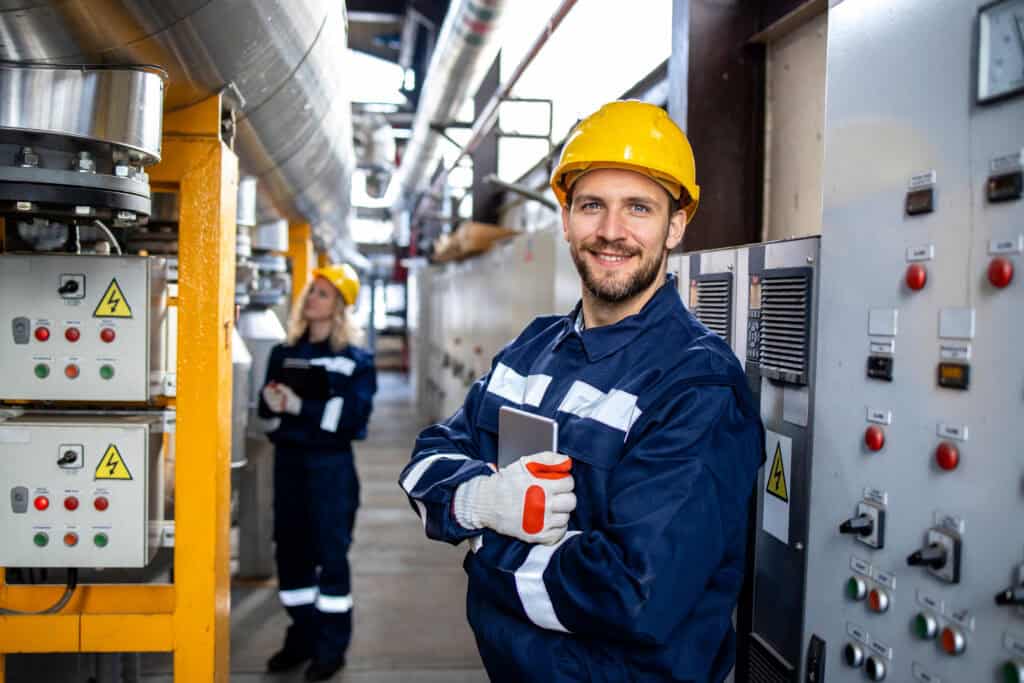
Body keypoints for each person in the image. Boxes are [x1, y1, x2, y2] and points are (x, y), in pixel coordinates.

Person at [398, 100, 764, 682]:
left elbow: (632, 596)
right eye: (592, 205)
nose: (611, 231)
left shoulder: (697, 385)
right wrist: (481, 503)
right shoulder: (534, 348)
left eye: (638, 208)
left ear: (675, 225)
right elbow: (425, 464)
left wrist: (480, 545)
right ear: (566, 220)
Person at [259, 263, 377, 682]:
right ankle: (302, 638)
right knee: (290, 553)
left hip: (331, 469)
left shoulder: (355, 361)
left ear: (341, 307)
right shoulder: (283, 352)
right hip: (289, 463)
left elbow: (353, 418)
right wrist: (272, 402)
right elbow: (265, 412)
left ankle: (331, 648)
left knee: (331, 556)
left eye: (324, 294)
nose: (312, 299)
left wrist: (298, 408)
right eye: (311, 291)